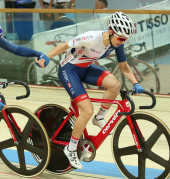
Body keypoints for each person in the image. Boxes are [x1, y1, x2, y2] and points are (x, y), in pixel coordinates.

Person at [37, 12, 144, 169]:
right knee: (86, 110)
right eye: (121, 38)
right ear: (111, 31)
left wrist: (136, 83)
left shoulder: (117, 43)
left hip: (85, 68)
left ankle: (99, 118)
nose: (122, 42)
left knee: (115, 84)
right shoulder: (91, 37)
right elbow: (64, 46)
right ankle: (71, 148)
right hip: (69, 70)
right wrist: (46, 57)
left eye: (125, 39)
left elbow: (124, 66)